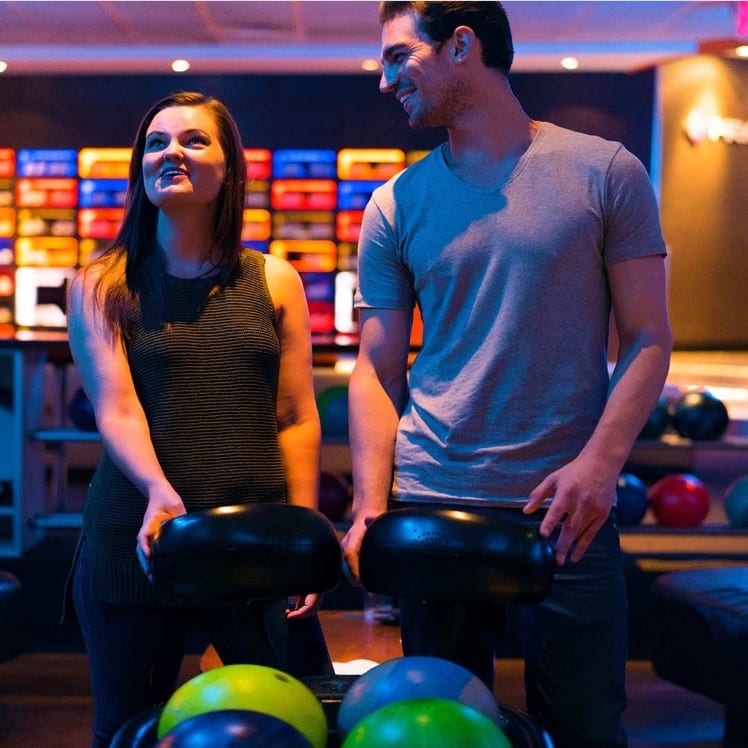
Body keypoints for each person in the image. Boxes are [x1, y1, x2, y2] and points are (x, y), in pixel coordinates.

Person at [340, 3, 673, 747]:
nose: (387, 80)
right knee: (442, 731)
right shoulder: (394, 202)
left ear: (461, 45)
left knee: (584, 725)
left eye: (399, 57)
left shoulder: (606, 171)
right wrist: (368, 506)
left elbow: (649, 338)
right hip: (432, 498)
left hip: (567, 508)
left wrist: (598, 467)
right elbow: (375, 369)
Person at [65, 91, 325, 747]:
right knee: (127, 730)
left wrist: (302, 539)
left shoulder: (276, 280)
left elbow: (296, 417)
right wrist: (160, 492)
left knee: (274, 726)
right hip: (138, 539)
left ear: (229, 168)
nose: (170, 152)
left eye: (193, 140)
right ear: (139, 166)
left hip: (252, 542)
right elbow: (116, 407)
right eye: (156, 142)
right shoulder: (102, 282)